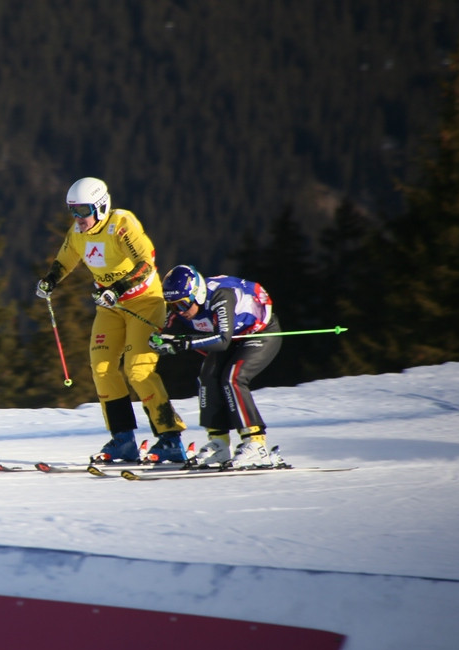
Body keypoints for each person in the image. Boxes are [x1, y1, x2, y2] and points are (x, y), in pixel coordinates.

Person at [36, 177, 188, 463]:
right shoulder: (79, 232)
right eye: (73, 211)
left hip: (144, 303)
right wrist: (50, 281)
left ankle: (170, 437)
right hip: (110, 307)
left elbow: (147, 264)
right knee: (101, 367)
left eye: (83, 210)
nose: (78, 218)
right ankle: (123, 440)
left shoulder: (121, 224)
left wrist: (116, 289)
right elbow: (66, 258)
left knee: (138, 370)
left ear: (101, 206)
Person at [148, 265, 282, 469]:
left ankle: (256, 444)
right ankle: (219, 443)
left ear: (197, 294)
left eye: (182, 304)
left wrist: (185, 343)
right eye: (172, 306)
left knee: (233, 377)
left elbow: (222, 341)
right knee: (207, 376)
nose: (179, 311)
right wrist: (161, 341)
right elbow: (169, 332)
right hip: (234, 338)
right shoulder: (183, 312)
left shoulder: (221, 296)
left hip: (260, 333)